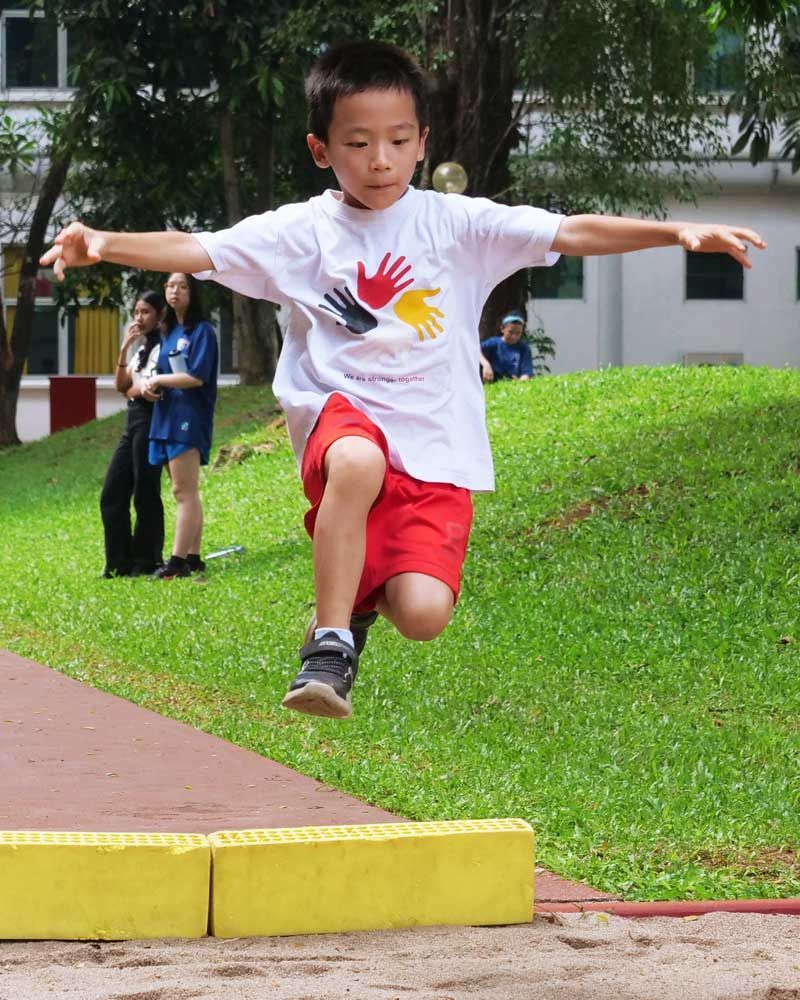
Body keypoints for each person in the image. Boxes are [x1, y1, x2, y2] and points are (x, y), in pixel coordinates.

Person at [40, 40, 766, 719]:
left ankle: (356, 597)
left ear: (422, 142)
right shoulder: (301, 233)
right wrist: (104, 243)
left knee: (421, 615)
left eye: (397, 141)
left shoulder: (459, 224)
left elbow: (568, 231)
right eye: (357, 144)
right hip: (341, 416)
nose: (380, 160)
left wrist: (672, 232)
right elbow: (198, 249)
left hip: (434, 447)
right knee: (356, 461)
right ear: (322, 151)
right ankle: (328, 647)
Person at [145, 272, 218, 580]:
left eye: (183, 286)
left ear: (194, 292)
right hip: (167, 415)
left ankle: (176, 563)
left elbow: (196, 377)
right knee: (184, 490)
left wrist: (159, 379)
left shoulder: (203, 332)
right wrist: (153, 386)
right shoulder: (168, 332)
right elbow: (164, 373)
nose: (175, 291)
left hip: (189, 417)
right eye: (170, 285)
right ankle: (192, 557)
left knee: (183, 489)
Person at [99, 289, 166, 577]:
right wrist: (125, 348)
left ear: (159, 314)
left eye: (146, 312)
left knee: (145, 491)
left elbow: (147, 389)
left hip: (152, 420)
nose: (139, 317)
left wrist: (134, 390)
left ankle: (147, 559)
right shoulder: (141, 349)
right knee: (112, 493)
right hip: (133, 420)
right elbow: (122, 386)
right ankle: (118, 562)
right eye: (137, 312)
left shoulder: (164, 347)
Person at [480, 313, 533, 382]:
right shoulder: (494, 343)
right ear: (502, 329)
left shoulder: (524, 348)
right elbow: (476, 349)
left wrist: (521, 381)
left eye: (518, 333)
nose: (514, 337)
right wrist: (486, 365)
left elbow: (526, 372)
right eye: (510, 332)